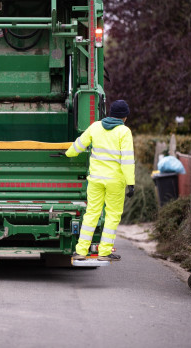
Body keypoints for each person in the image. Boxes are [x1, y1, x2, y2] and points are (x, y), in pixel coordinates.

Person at [65, 99, 135, 261]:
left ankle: (81, 251)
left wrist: (67, 153)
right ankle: (104, 252)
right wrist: (130, 183)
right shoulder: (124, 132)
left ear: (110, 113)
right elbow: (127, 160)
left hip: (95, 180)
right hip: (115, 182)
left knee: (91, 214)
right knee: (112, 215)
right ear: (124, 117)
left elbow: (79, 145)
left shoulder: (95, 126)